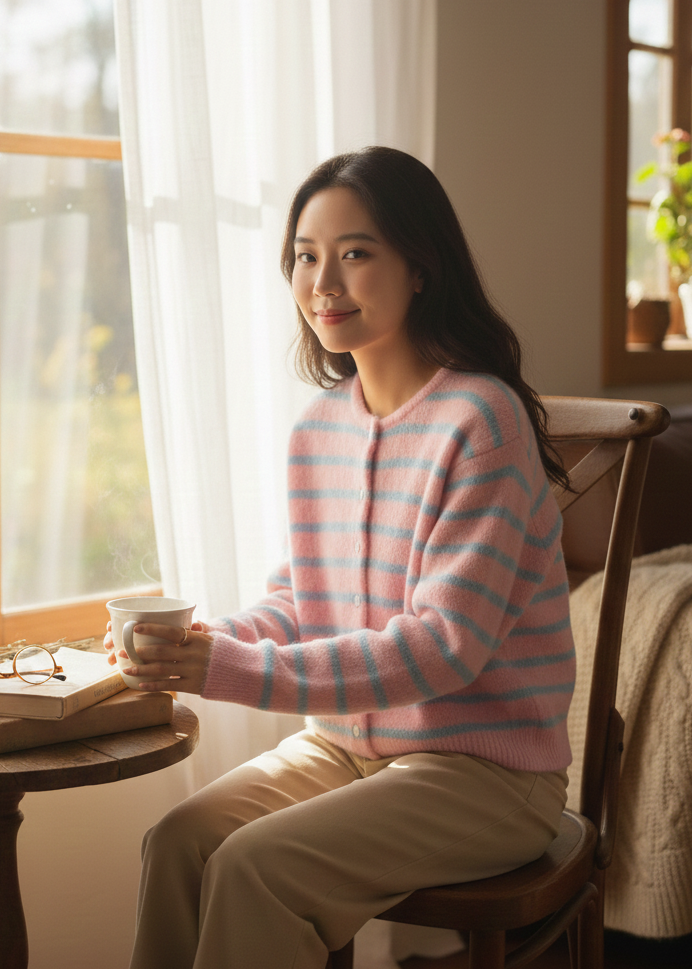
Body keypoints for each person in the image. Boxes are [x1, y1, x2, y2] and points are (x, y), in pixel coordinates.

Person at [105, 146, 576, 969]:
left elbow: (441, 646)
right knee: (177, 841)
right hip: (347, 750)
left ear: (420, 266)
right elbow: (302, 602)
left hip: (489, 774)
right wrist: (205, 642)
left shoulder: (481, 420)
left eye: (356, 254)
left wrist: (229, 668)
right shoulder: (317, 429)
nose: (324, 283)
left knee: (259, 869)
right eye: (305, 256)